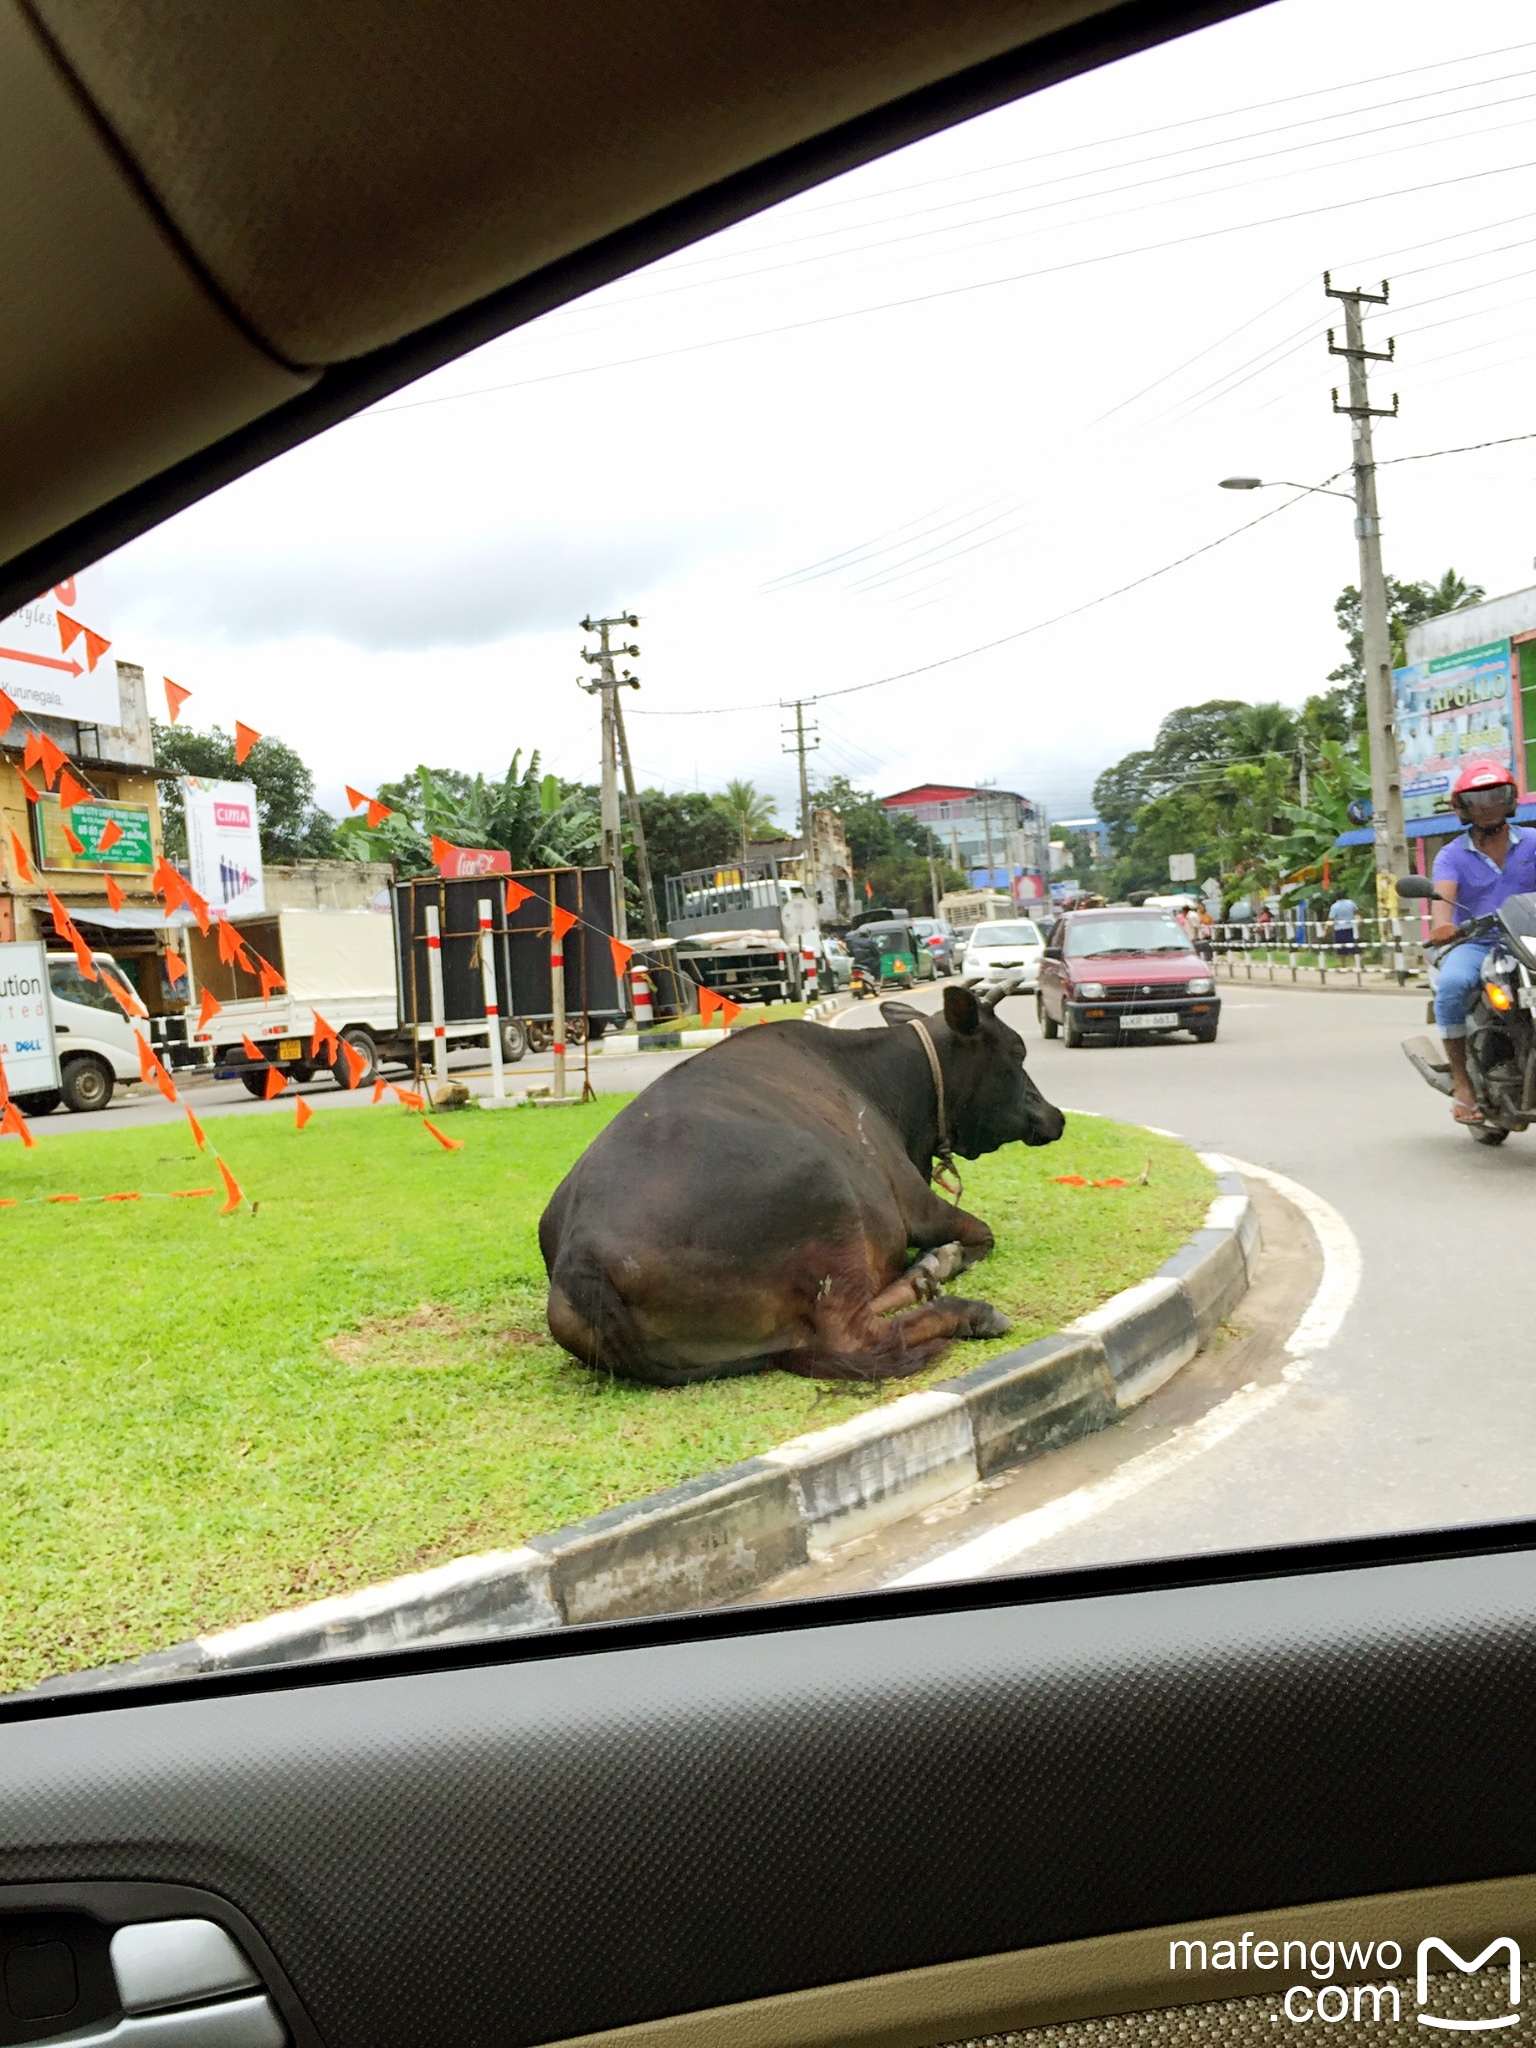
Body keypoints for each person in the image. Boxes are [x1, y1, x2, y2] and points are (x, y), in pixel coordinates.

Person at [1429, 758, 1536, 1124]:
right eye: (1478, 800)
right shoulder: (1451, 856)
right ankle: (1461, 1082)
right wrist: (1443, 925)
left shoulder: (1534, 841)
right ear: (1463, 809)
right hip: (1477, 943)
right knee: (1453, 985)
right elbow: (1442, 898)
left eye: (1495, 797)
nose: (1487, 806)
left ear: (1509, 800)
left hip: (1528, 939)